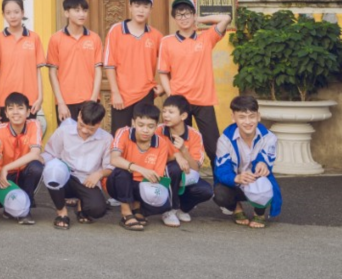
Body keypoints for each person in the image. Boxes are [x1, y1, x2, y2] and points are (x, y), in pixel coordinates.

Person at [157, 0, 231, 165]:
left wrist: (199, 19)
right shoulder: (167, 42)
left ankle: (221, 181)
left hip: (203, 100)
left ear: (193, 15)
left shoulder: (206, 38)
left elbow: (226, 18)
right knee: (179, 146)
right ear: (174, 18)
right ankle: (185, 181)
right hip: (180, 103)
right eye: (179, 15)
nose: (183, 18)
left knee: (214, 146)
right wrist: (171, 96)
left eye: (187, 14)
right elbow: (163, 73)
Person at [42, 100, 113, 229]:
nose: (84, 130)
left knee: (97, 210)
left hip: (87, 180)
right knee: (53, 170)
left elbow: (110, 166)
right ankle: (62, 212)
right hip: (66, 176)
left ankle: (81, 206)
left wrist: (100, 173)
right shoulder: (63, 131)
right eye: (82, 125)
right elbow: (50, 154)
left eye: (91, 129)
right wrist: (40, 162)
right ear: (79, 115)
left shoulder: (106, 139)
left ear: (99, 123)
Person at [110, 102, 179, 230]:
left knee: (163, 206)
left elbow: (156, 175)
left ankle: (137, 208)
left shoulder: (161, 143)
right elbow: (114, 159)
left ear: (156, 126)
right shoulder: (123, 132)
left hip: (143, 185)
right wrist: (140, 169)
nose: (145, 130)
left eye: (151, 126)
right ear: (133, 123)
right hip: (119, 183)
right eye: (141, 125)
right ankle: (126, 213)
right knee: (122, 172)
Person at [214, 94, 281, 228]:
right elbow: (221, 170)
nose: (248, 122)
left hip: (256, 181)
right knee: (220, 194)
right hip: (236, 183)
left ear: (258, 116)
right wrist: (236, 178)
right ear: (233, 118)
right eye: (242, 117)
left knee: (264, 183)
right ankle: (237, 208)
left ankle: (259, 212)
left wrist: (263, 164)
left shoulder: (269, 138)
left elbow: (266, 159)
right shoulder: (224, 140)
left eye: (252, 116)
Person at [104, 0, 164, 133]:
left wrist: (164, 86)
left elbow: (171, 62)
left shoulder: (156, 36)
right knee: (120, 135)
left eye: (145, 6)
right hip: (122, 95)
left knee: (144, 134)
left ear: (150, 10)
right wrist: (115, 92)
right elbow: (109, 64)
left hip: (145, 93)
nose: (141, 10)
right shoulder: (116, 30)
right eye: (137, 6)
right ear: (130, 7)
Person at [46, 0, 103, 123]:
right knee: (67, 135)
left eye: (84, 10)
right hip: (66, 101)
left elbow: (98, 70)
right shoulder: (55, 39)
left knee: (89, 134)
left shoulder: (94, 38)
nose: (82, 14)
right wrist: (60, 102)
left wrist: (93, 100)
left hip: (89, 99)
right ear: (66, 13)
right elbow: (52, 73)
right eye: (77, 10)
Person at [0, 91, 45, 224]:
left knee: (36, 167)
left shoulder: (34, 125)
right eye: (11, 109)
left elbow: (35, 153)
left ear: (28, 112)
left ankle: (25, 211)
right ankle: (9, 207)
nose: (15, 112)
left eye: (20, 108)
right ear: (6, 113)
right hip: (4, 177)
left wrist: (6, 168)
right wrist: (1, 165)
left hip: (23, 173)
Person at [159, 95, 214, 223]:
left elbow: (195, 168)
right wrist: (176, 156)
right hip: (162, 178)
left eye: (171, 112)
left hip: (186, 177)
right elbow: (153, 160)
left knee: (206, 191)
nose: (166, 115)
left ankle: (182, 209)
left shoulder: (194, 135)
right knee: (174, 167)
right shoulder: (158, 131)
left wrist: (184, 150)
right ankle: (169, 210)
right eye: (164, 111)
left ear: (183, 116)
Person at [0, 0, 46, 123]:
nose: (13, 16)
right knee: (6, 134)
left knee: (28, 134)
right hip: (4, 100)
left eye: (16, 12)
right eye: (8, 13)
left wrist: (40, 97)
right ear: (3, 15)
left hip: (29, 100)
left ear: (23, 13)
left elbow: (38, 71)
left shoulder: (34, 38)